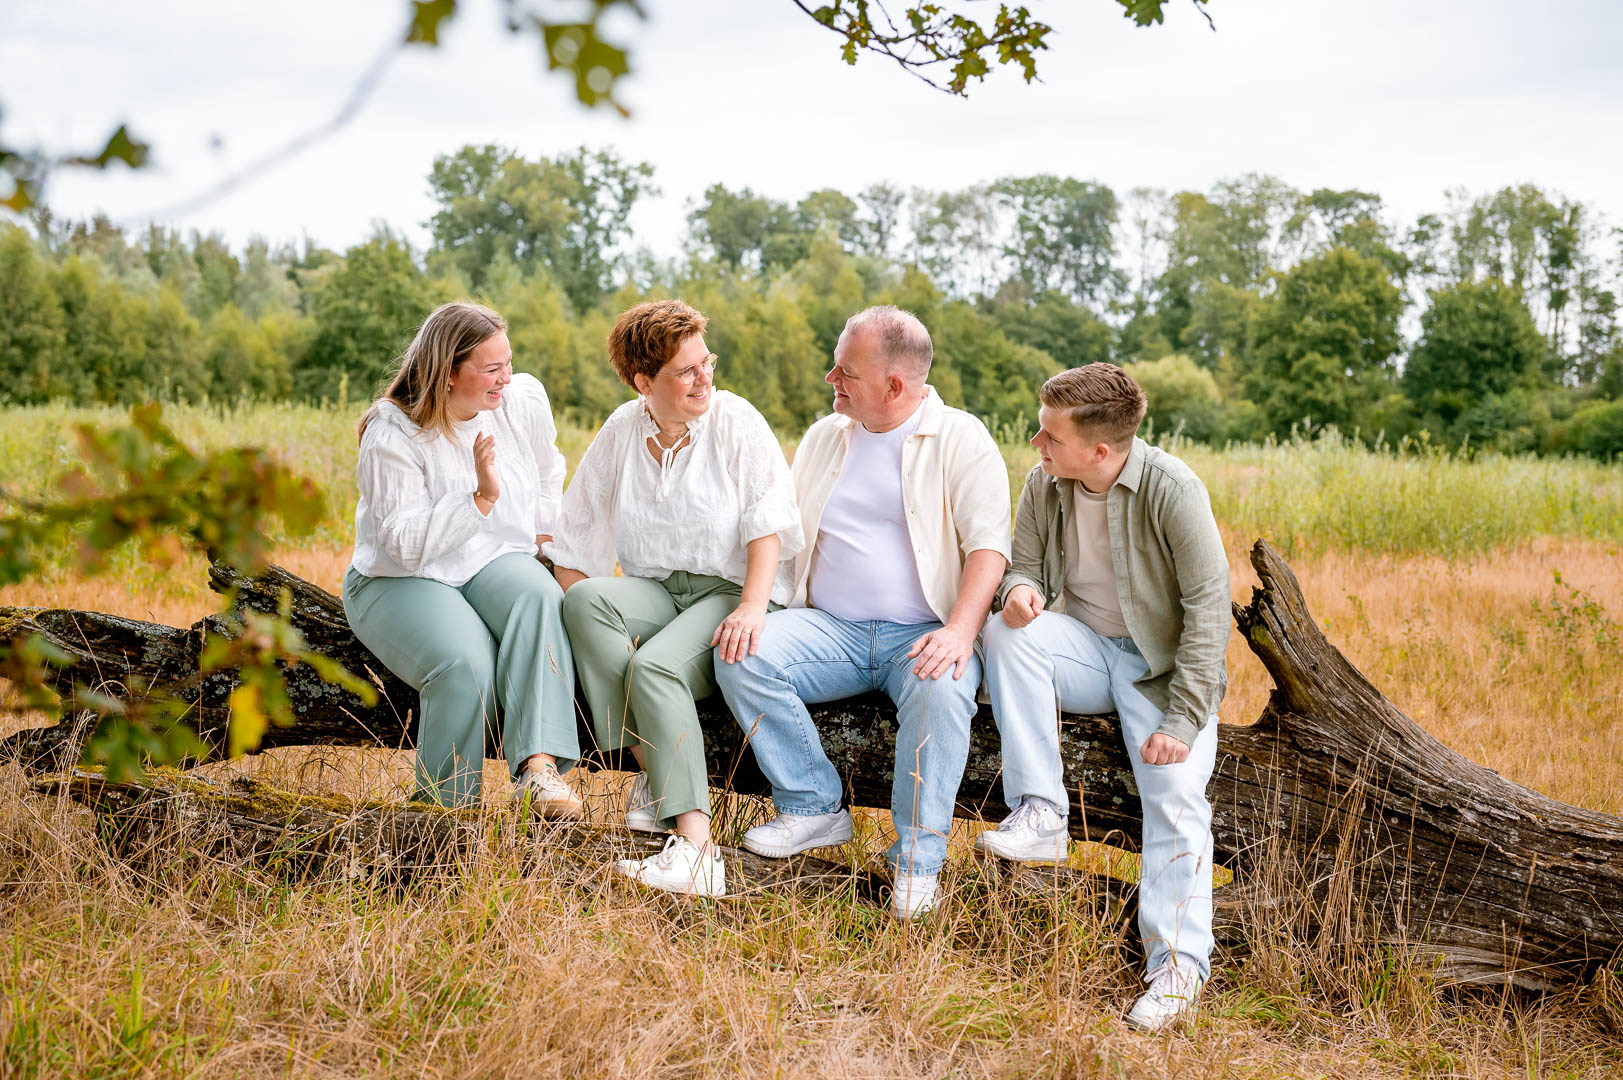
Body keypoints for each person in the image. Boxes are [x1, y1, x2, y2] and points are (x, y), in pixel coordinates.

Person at [713, 305, 1011, 920]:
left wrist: (960, 632)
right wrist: (756, 607)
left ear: (894, 385)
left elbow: (989, 547)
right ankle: (813, 806)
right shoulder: (825, 436)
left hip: (923, 632)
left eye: (845, 371)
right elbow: (783, 532)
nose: (831, 379)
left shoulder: (961, 439)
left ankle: (917, 862)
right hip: (830, 629)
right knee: (741, 654)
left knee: (942, 688)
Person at [977, 363, 1229, 1031]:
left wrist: (1182, 719)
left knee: (1174, 797)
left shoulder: (1172, 489)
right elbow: (1024, 566)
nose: (1036, 443)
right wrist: (1020, 592)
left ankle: (1177, 969)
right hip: (1085, 650)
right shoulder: (1044, 482)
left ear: (1098, 450)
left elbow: (1209, 610)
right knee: (1004, 634)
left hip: (1159, 669)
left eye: (1050, 435)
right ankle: (1041, 813)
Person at [545, 299, 803, 899]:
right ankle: (655, 766)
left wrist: (752, 607)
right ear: (644, 383)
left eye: (706, 362)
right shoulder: (621, 430)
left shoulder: (736, 421)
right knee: (582, 603)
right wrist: (601, 636)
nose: (704, 377)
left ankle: (697, 849)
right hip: (660, 590)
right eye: (686, 371)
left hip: (733, 591)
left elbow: (768, 526)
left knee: (655, 667)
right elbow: (574, 541)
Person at [342, 301, 581, 814]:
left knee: (539, 596)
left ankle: (538, 771)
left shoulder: (520, 402)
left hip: (488, 558)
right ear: (448, 372)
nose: (506, 378)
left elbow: (548, 469)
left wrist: (543, 534)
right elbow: (403, 544)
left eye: (508, 362)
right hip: (399, 578)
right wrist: (479, 499)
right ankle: (445, 817)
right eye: (492, 369)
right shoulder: (394, 432)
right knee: (466, 666)